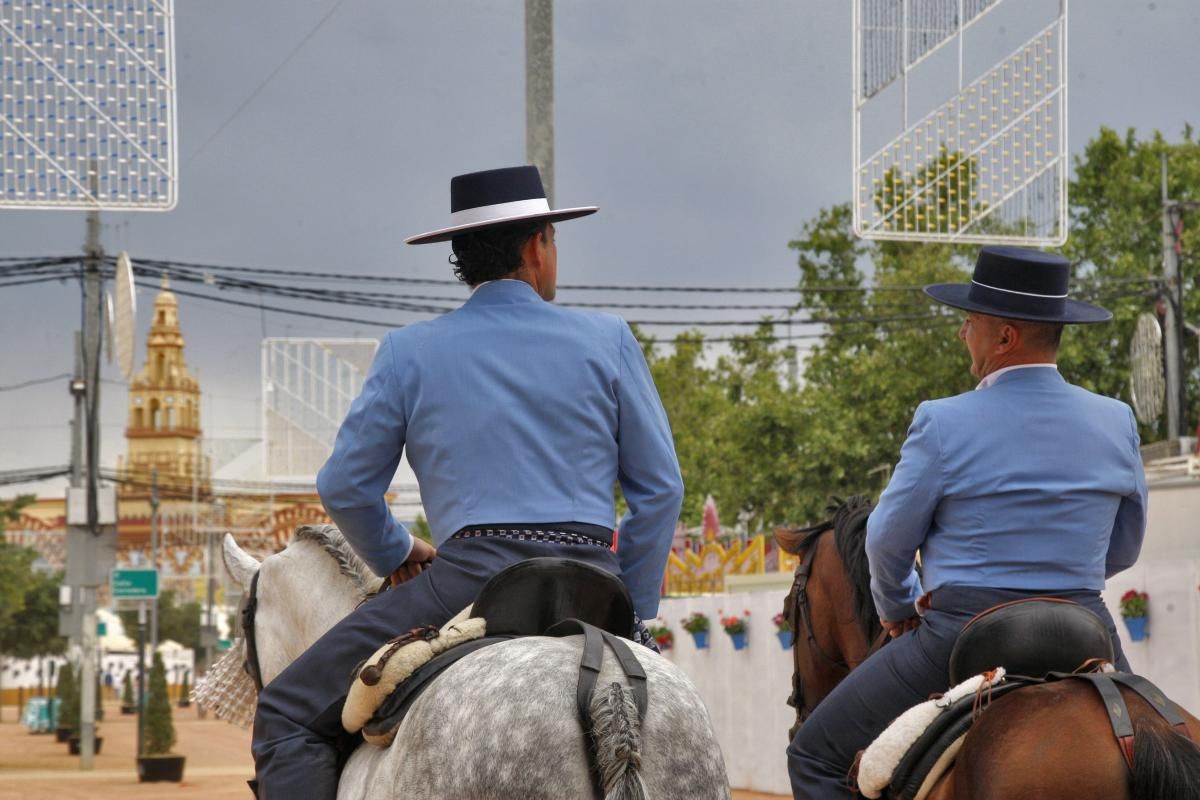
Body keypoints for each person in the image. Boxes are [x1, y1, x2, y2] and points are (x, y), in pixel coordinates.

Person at [251, 165, 684, 798]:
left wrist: (398, 552)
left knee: (286, 716)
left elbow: (345, 485)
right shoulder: (609, 338)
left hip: (468, 582)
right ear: (539, 245)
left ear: (462, 257)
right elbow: (660, 491)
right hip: (596, 584)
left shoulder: (409, 351)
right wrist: (633, 607)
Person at [787, 245, 1147, 799]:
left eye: (971, 323)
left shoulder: (941, 421)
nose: (963, 336)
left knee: (814, 753)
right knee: (1161, 746)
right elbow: (1123, 547)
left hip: (964, 630)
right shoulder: (1116, 419)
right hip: (1084, 628)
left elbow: (885, 540)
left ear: (1004, 338)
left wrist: (899, 607)